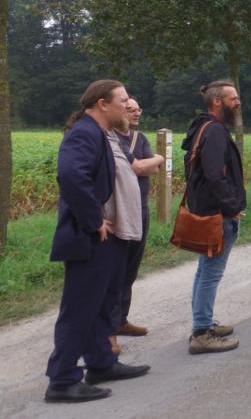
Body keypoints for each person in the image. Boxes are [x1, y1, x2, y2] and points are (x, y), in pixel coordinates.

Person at [45, 80, 150, 403]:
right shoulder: (84, 133)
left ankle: (101, 363)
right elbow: (72, 176)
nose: (127, 105)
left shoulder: (104, 134)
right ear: (102, 104)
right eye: (122, 100)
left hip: (112, 235)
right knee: (80, 307)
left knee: (105, 302)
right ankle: (62, 380)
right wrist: (93, 220)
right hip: (90, 237)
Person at [181, 80, 245, 355]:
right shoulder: (215, 131)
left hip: (207, 210)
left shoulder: (202, 127)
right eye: (234, 98)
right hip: (217, 215)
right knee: (210, 273)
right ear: (217, 102)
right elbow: (215, 175)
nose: (238, 103)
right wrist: (231, 207)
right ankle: (201, 332)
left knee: (204, 270)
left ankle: (203, 322)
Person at [112, 98, 165, 344]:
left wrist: (150, 163)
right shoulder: (111, 138)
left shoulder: (139, 138)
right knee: (115, 268)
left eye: (138, 109)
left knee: (131, 268)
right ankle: (109, 326)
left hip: (140, 208)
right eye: (130, 109)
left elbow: (150, 170)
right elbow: (138, 168)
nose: (135, 113)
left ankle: (121, 319)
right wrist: (156, 159)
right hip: (120, 211)